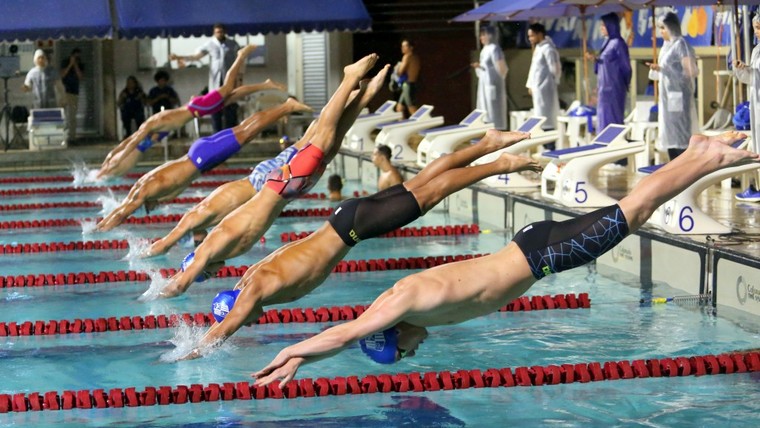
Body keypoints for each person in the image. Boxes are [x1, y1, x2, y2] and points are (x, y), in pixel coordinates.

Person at [251, 131, 759, 386]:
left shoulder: (400, 306)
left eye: (402, 353)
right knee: (635, 214)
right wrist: (315, 356)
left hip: (542, 253)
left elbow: (346, 333)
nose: (413, 353)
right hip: (532, 248)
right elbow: (353, 337)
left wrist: (291, 356)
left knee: (636, 208)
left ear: (393, 334)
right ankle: (696, 153)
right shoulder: (401, 307)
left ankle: (708, 155)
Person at [176, 129, 542, 359]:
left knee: (432, 192)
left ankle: (498, 163)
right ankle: (487, 145)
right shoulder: (254, 278)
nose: (249, 324)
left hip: (352, 229)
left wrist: (193, 352)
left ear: (234, 307)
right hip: (345, 220)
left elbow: (226, 327)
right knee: (425, 182)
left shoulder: (252, 291)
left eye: (240, 317)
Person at [148, 55, 389, 287]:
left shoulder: (210, 241)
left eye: (206, 275)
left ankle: (348, 81)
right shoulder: (224, 246)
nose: (213, 275)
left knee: (319, 137)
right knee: (326, 146)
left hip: (271, 182)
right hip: (276, 187)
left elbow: (174, 260)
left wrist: (159, 272)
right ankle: (362, 96)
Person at [95, 97, 311, 232]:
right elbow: (176, 187)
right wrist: (160, 201)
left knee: (246, 132)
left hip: (201, 158)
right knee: (245, 130)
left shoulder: (141, 191)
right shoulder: (147, 188)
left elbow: (123, 213)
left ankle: (286, 106)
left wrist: (100, 230)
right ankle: (285, 107)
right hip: (199, 157)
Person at [97, 45, 285, 179]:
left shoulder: (151, 125)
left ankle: (241, 55)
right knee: (232, 96)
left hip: (197, 107)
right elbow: (129, 143)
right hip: (197, 109)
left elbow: (132, 142)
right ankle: (266, 84)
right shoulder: (157, 129)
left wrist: (114, 162)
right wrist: (109, 161)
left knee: (228, 88)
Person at [647, 12, 698, 162]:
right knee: (670, 136)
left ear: (672, 27)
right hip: (667, 99)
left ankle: (684, 168)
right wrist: (658, 69)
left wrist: (665, 70)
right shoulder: (665, 47)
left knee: (681, 135)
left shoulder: (681, 45)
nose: (661, 31)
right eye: (660, 28)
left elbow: (691, 71)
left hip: (679, 97)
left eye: (663, 28)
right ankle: (673, 166)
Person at [171, 23, 240, 132]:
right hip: (216, 83)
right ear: (214, 33)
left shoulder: (233, 44)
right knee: (215, 112)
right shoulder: (210, 45)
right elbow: (196, 56)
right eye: (217, 32)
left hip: (229, 82)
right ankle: (216, 139)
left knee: (230, 112)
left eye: (221, 32)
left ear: (225, 32)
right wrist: (180, 57)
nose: (219, 34)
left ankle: (230, 137)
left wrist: (239, 79)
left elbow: (239, 61)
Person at [588, 13, 631, 133]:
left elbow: (626, 67)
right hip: (604, 89)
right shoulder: (606, 43)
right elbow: (604, 64)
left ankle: (614, 147)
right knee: (603, 119)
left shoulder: (618, 44)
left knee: (613, 119)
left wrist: (623, 84)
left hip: (614, 88)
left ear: (611, 26)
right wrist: (595, 60)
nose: (601, 28)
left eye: (604, 25)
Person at [734, 14, 760, 202]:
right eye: (756, 28)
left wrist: (751, 71)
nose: (757, 32)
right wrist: (743, 69)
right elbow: (753, 77)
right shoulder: (756, 50)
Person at [526, 23, 561, 132]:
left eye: (532, 36)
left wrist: (550, 83)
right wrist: (531, 85)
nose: (530, 39)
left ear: (540, 34)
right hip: (538, 89)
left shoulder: (548, 49)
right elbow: (534, 69)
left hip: (546, 88)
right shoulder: (539, 48)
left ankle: (550, 144)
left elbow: (555, 69)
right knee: (540, 115)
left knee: (547, 115)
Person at [472, 26, 508, 130]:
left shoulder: (494, 49)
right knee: (485, 109)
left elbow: (502, 68)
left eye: (484, 35)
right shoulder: (484, 50)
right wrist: (479, 67)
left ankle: (497, 129)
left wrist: (497, 81)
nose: (481, 37)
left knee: (494, 110)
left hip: (493, 85)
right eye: (481, 35)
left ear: (490, 35)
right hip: (484, 85)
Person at [60, 48, 83, 142]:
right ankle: (61, 136)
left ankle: (72, 137)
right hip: (64, 92)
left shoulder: (80, 64)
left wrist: (75, 65)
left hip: (74, 92)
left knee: (72, 116)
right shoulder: (65, 62)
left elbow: (80, 76)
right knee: (62, 115)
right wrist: (70, 64)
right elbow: (62, 75)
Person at [394, 39, 421, 117]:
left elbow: (400, 72)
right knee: (399, 108)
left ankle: (419, 127)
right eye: (402, 46)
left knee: (412, 108)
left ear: (411, 47)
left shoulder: (407, 56)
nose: (402, 48)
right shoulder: (415, 57)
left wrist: (397, 68)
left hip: (408, 85)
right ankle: (401, 127)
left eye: (405, 46)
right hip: (411, 84)